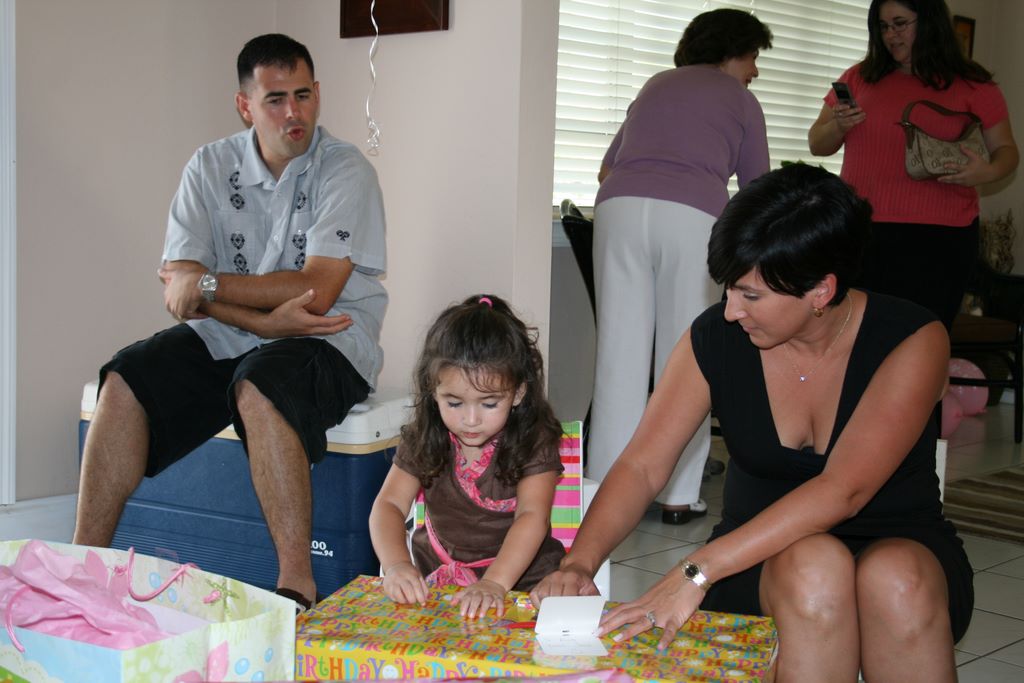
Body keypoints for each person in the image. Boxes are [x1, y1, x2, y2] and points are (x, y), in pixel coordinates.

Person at [532, 164, 972, 681]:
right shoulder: (715, 339)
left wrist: (694, 572)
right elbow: (643, 465)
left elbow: (844, 490)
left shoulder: (913, 338)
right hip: (755, 561)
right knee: (814, 568)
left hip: (902, 548)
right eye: (729, 290)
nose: (730, 311)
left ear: (821, 291)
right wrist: (578, 563)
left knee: (897, 580)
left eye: (751, 295)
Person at [73, 34, 387, 613]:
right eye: (275, 100)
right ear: (245, 105)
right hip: (232, 336)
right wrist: (259, 323)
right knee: (125, 377)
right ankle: (80, 571)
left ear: (318, 94)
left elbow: (315, 292)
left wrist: (210, 287)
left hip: (330, 338)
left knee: (261, 385)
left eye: (302, 95)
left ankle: (296, 589)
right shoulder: (209, 166)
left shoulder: (346, 171)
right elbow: (179, 291)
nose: (293, 113)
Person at [589, 8, 772, 525]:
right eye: (752, 58)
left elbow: (607, 168)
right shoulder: (741, 99)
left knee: (618, 356)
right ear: (733, 53)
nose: (755, 71)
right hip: (692, 217)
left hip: (619, 209)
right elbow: (758, 188)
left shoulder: (655, 85)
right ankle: (677, 494)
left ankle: (604, 492)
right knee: (687, 355)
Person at [808, 0, 1019, 332]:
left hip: (940, 238)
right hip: (862, 232)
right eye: (883, 26)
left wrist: (988, 172)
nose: (891, 35)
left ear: (930, 21)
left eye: (900, 23)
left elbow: (1007, 150)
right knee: (856, 338)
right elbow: (817, 143)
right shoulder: (859, 77)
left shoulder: (972, 83)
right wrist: (839, 125)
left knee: (922, 339)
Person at [369, 295, 565, 619]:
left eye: (489, 404)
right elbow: (388, 505)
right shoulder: (424, 438)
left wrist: (494, 583)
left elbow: (532, 517)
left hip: (523, 588)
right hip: (438, 590)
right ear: (433, 390)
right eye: (454, 403)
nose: (471, 420)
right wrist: (397, 565)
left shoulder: (534, 443)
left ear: (518, 392)